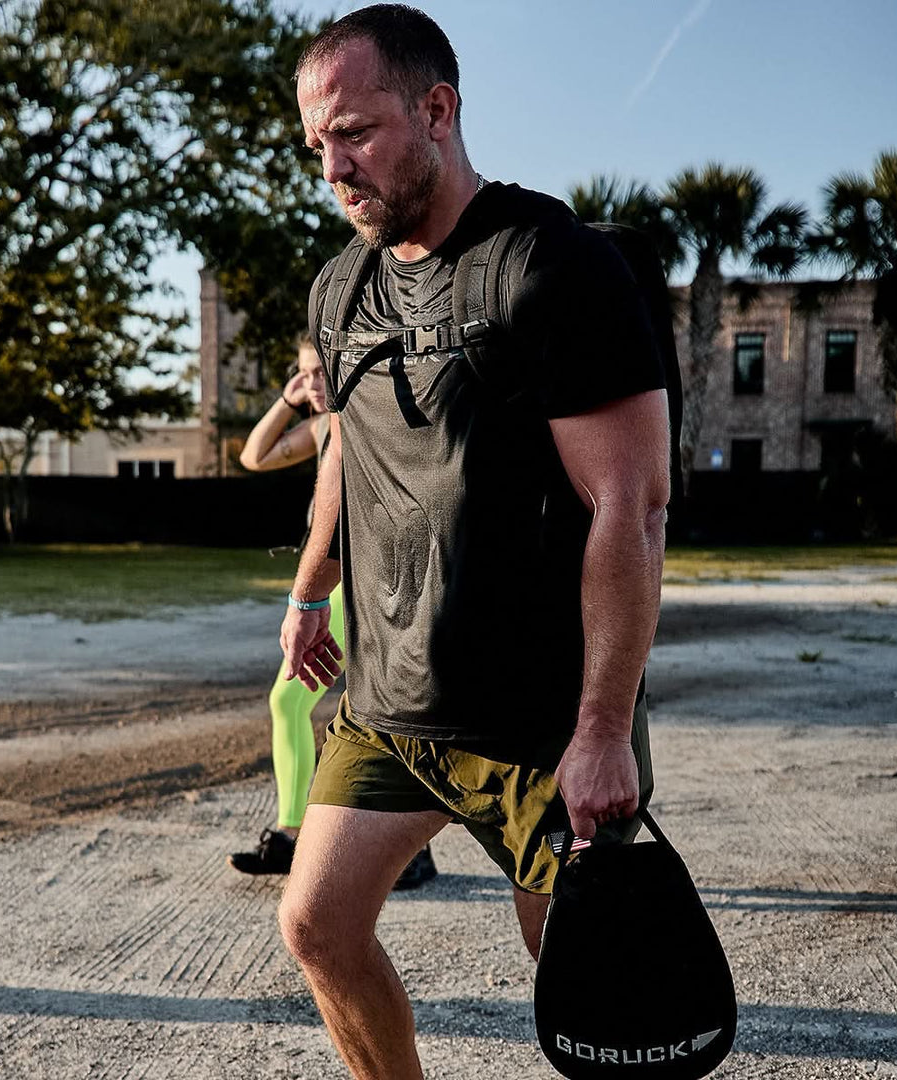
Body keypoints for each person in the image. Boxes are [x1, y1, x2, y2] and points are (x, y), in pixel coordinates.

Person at [278, 6, 671, 1078]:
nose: (333, 166)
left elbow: (629, 505)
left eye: (353, 132)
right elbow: (345, 462)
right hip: (389, 703)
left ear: (437, 109)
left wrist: (601, 728)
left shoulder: (552, 264)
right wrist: (311, 595)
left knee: (590, 984)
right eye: (318, 144)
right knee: (317, 924)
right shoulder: (339, 289)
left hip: (539, 719)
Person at [229, 333, 437, 889]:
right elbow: (253, 455)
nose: (313, 383)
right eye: (304, 373)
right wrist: (289, 399)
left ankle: (392, 848)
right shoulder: (324, 426)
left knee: (379, 711)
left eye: (320, 371)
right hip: (336, 585)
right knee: (305, 704)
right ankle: (301, 835)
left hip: (371, 582)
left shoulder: (372, 416)